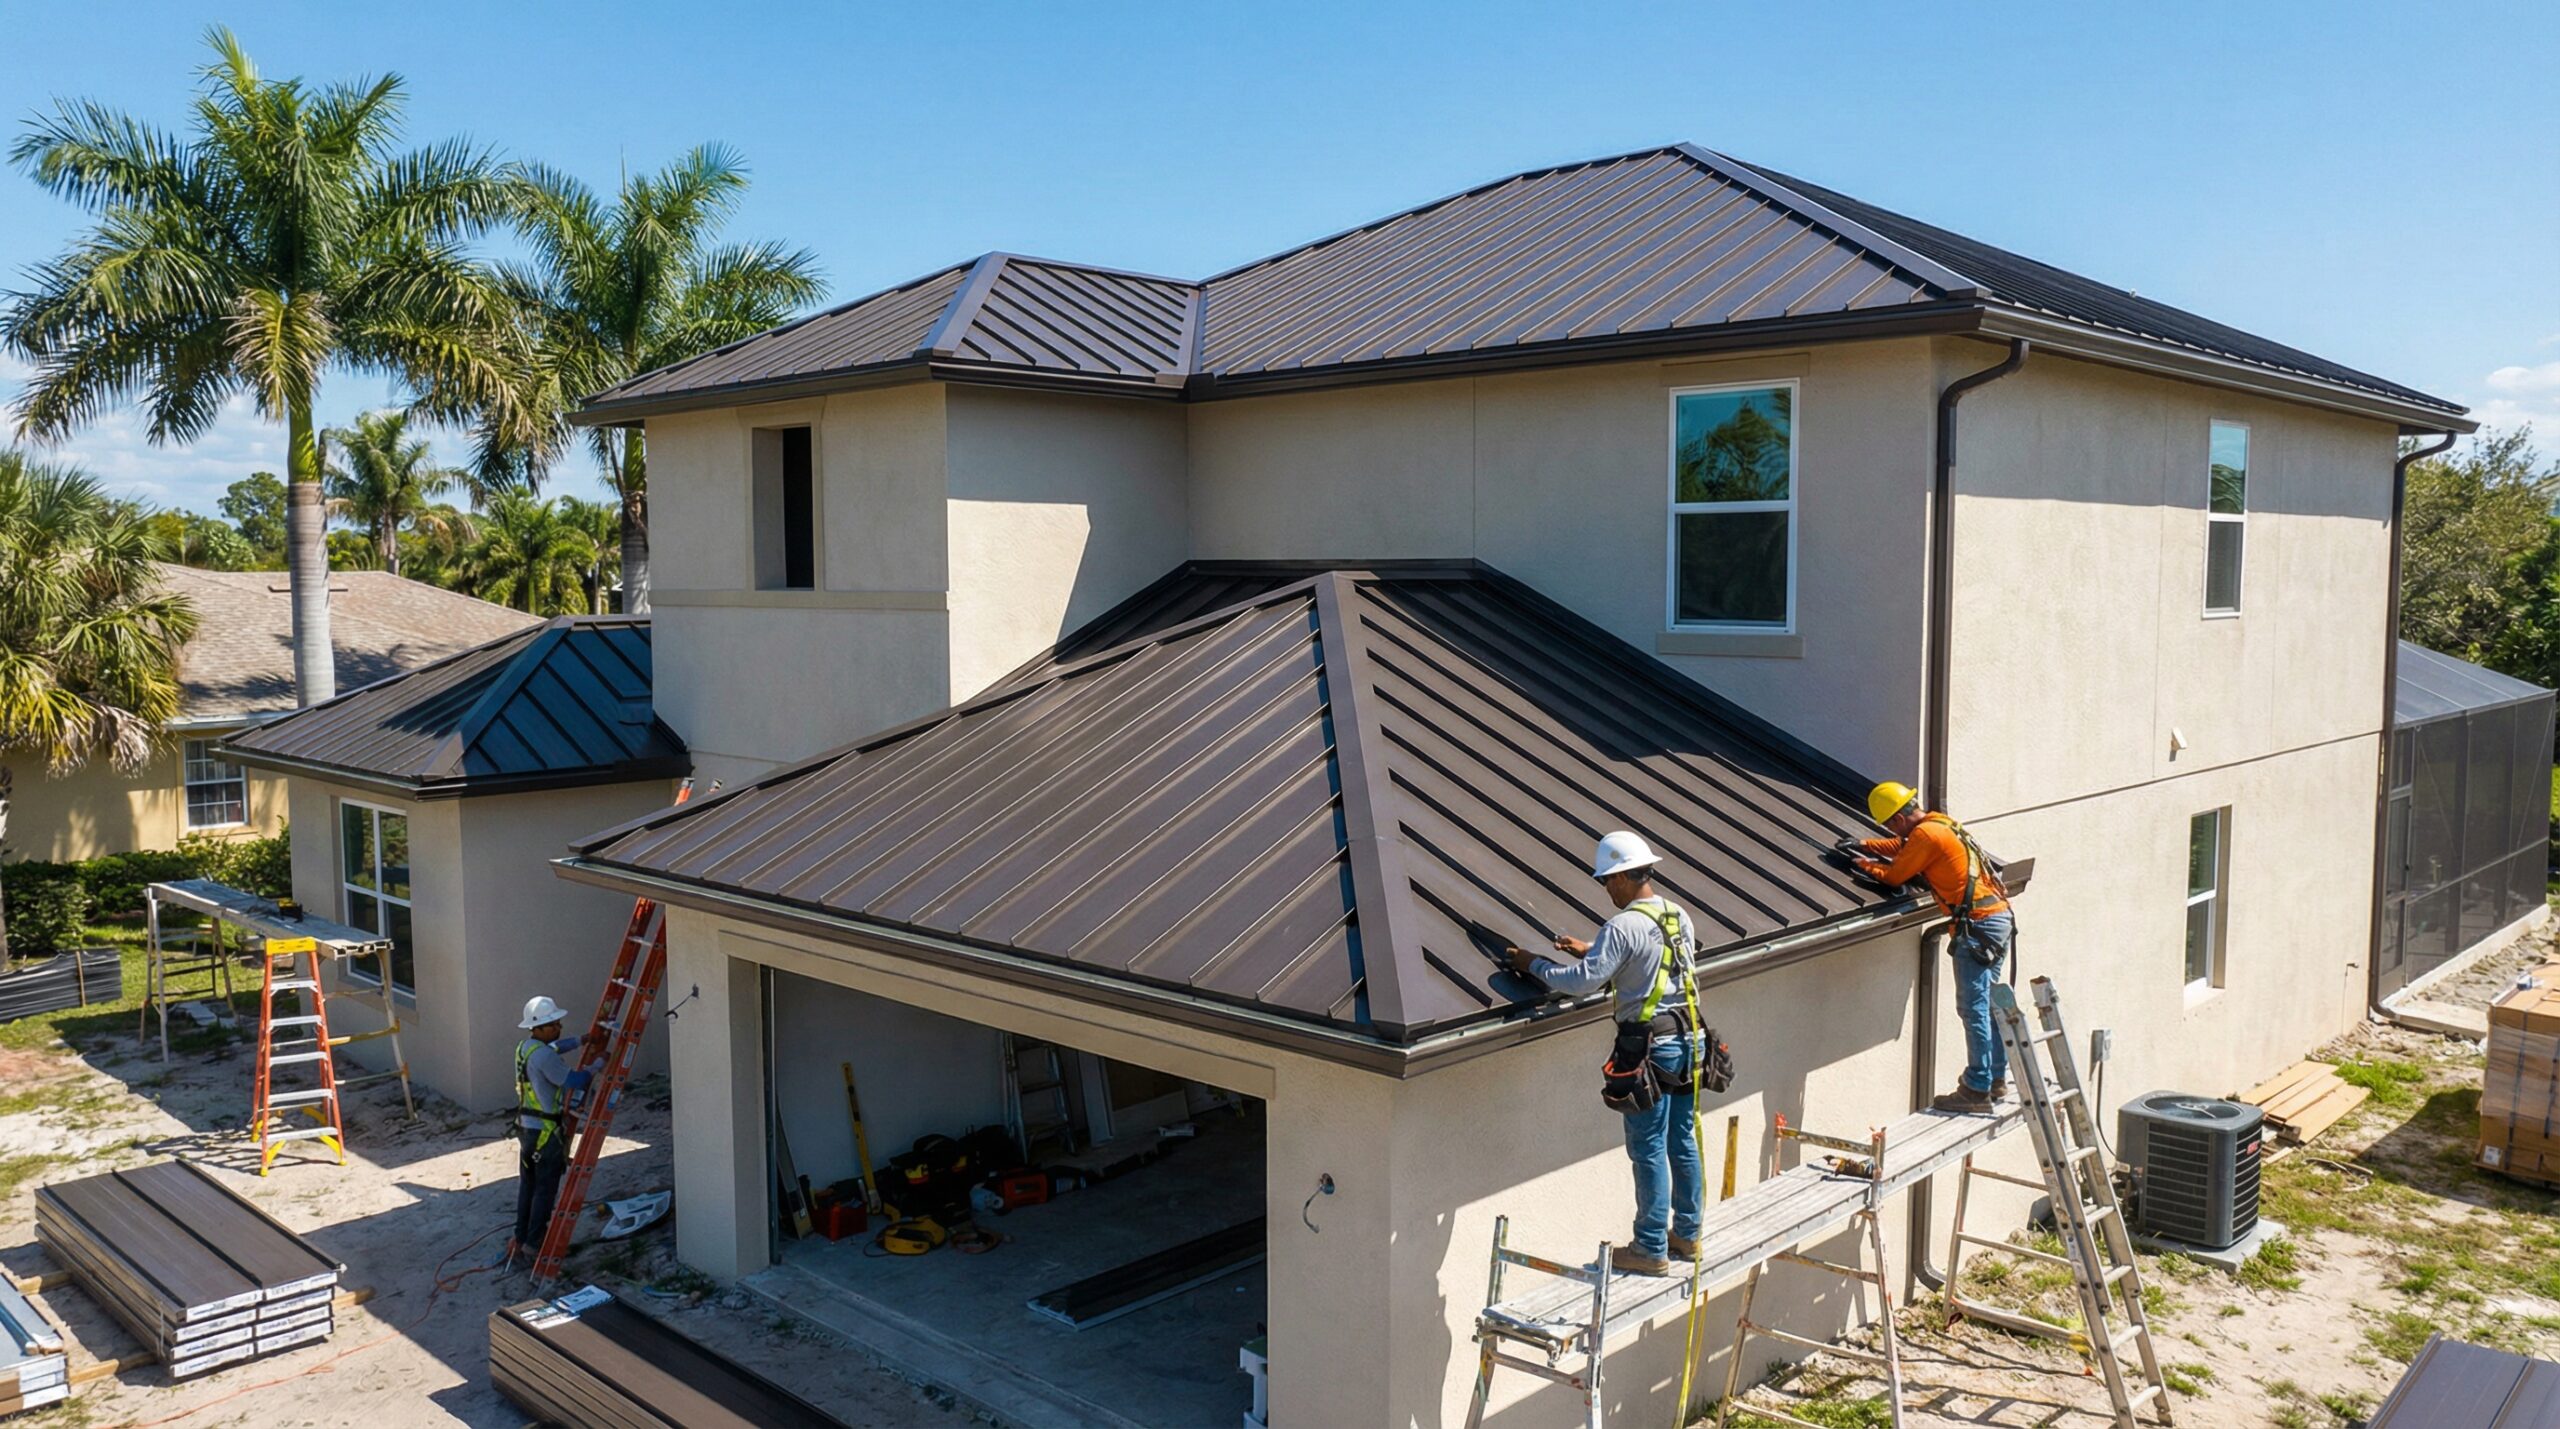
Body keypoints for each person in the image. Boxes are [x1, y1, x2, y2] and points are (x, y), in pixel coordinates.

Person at [1502, 831, 1702, 1276]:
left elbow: (1581, 983)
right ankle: (1687, 1233)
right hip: (1690, 1040)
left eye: (1608, 881)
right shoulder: (1677, 914)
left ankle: (1651, 1249)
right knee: (1681, 1138)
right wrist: (1594, 951)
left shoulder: (1622, 926)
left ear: (1625, 877)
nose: (1607, 889)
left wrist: (1532, 963)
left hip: (1652, 1046)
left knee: (1648, 1147)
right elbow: (1653, 957)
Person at [1851, 782, 2016, 1113]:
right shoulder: (1939, 823)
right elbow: (1903, 845)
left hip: (1977, 927)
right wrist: (1866, 845)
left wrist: (1862, 863)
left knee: (1973, 1008)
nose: (1888, 830)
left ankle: (1977, 1087)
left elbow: (1896, 874)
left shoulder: (1926, 836)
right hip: (1997, 919)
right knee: (1988, 1005)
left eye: (1887, 824)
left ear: (1898, 817)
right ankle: (1996, 1078)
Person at [505, 995, 591, 1269]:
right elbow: (574, 1080)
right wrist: (598, 1064)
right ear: (539, 1028)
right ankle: (534, 1245)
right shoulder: (542, 1056)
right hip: (545, 1134)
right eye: (553, 1024)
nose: (559, 1027)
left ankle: (521, 1238)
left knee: (528, 1187)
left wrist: (583, 1041)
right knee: (545, 1190)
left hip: (527, 1130)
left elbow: (555, 1047)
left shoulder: (525, 1048)